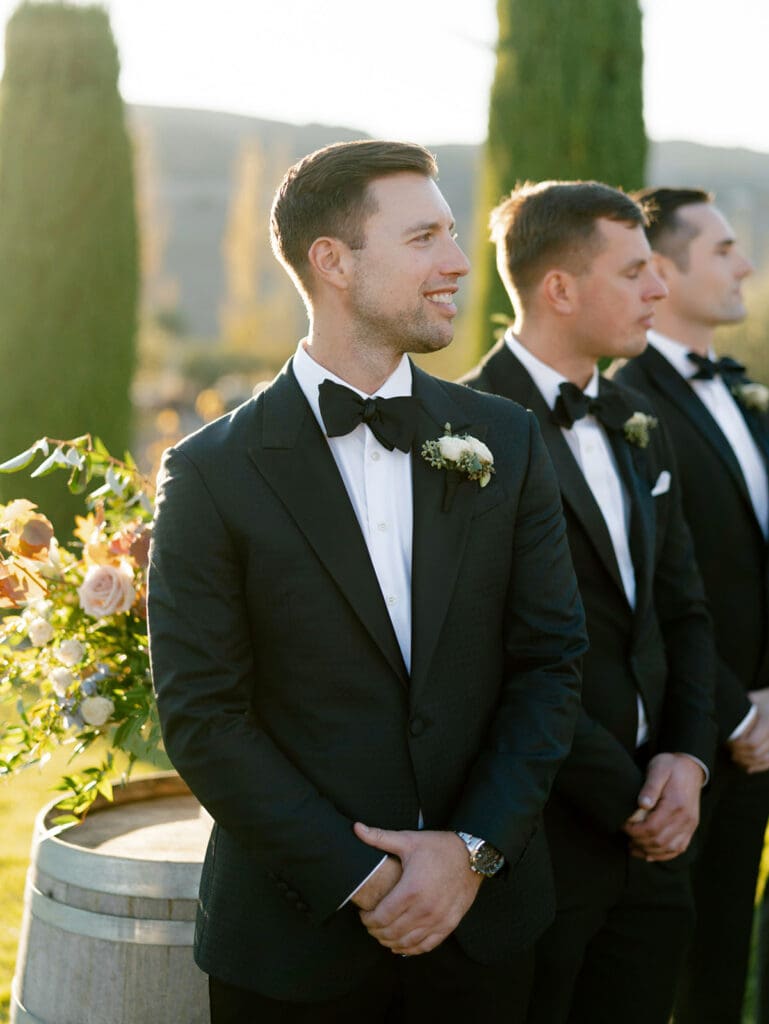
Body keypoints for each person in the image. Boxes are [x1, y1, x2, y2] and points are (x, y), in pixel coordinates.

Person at [147, 140, 587, 1024]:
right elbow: (203, 715)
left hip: (487, 933)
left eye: (453, 234)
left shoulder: (503, 440)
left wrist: (469, 852)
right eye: (424, 236)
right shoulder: (210, 473)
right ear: (332, 261)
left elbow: (549, 662)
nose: (458, 262)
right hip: (292, 946)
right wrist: (365, 877)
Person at [461, 180, 717, 1024]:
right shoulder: (465, 436)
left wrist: (686, 759)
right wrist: (629, 799)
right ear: (558, 288)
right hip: (543, 838)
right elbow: (494, 654)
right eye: (635, 270)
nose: (658, 289)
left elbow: (681, 607)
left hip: (659, 833)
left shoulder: (639, 417)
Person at [616, 187, 768, 1024]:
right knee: (665, 973)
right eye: (722, 250)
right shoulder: (622, 404)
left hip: (763, 726)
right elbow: (651, 589)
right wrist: (732, 718)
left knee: (724, 968)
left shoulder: (744, 392)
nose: (744, 264)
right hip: (684, 745)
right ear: (659, 271)